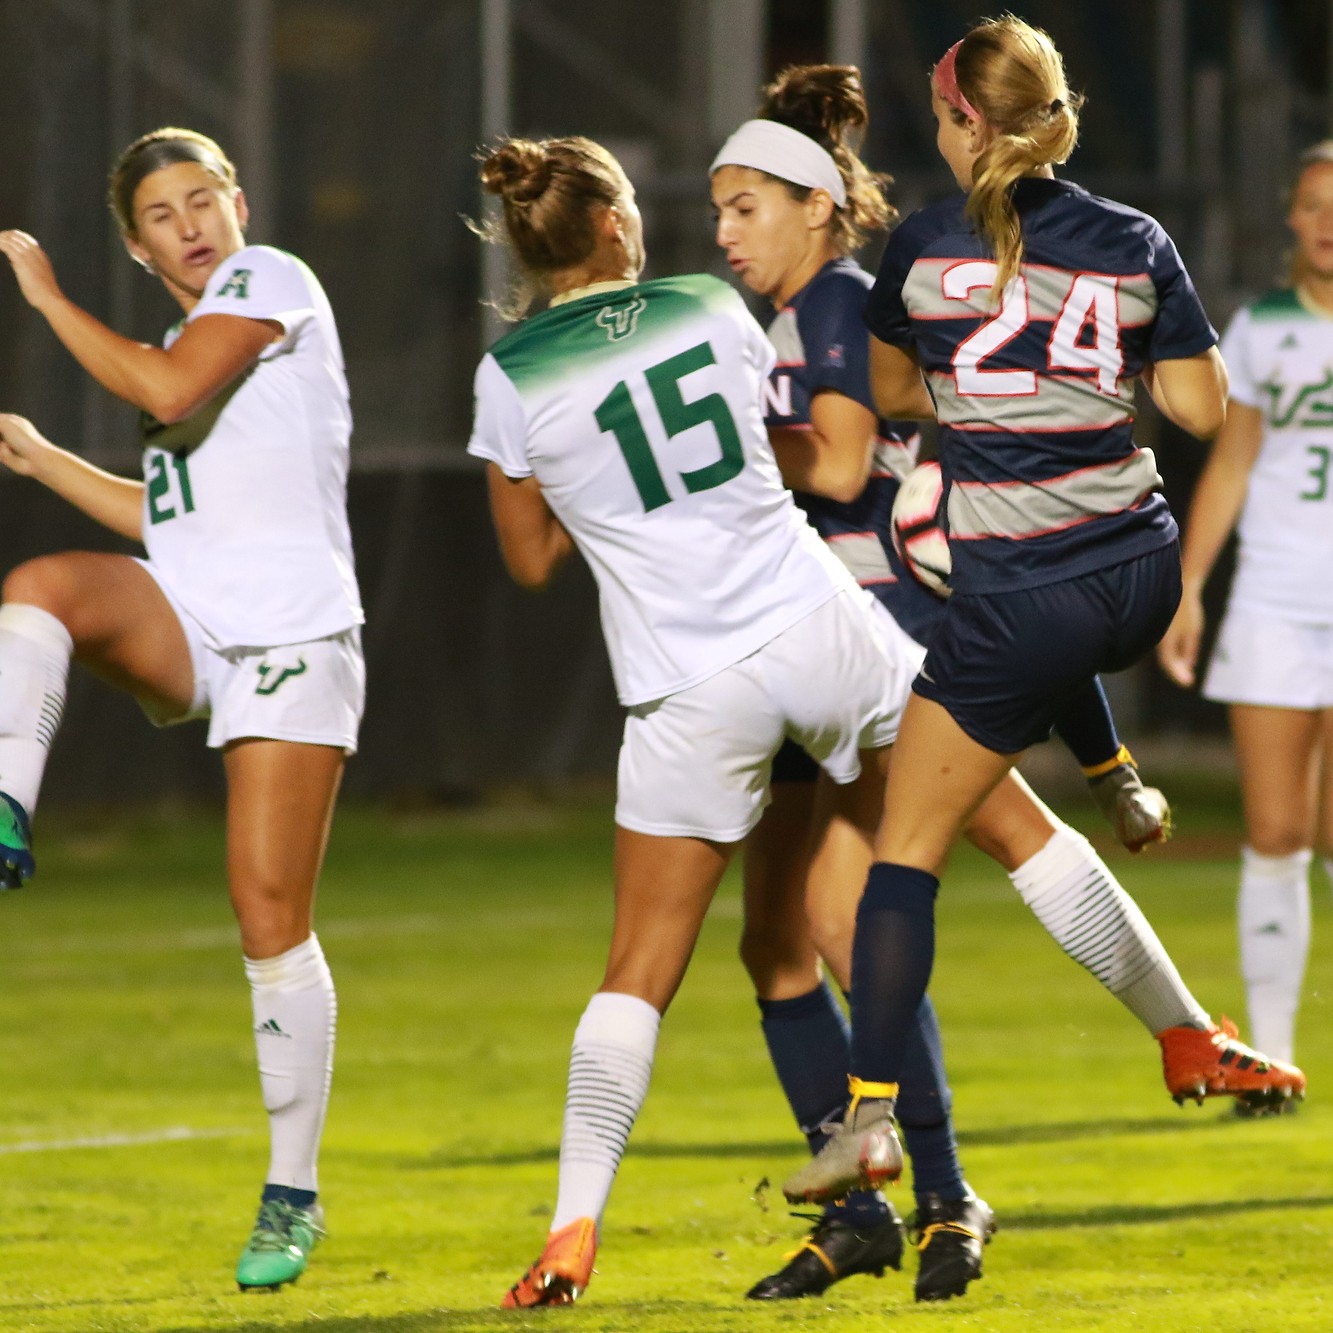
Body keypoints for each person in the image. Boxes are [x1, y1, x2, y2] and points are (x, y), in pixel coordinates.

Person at [711, 61, 1310, 1298]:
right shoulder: (1132, 237)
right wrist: (1082, 373)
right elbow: (1196, 406)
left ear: (959, 126)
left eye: (740, 207)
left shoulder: (905, 259)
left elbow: (868, 421)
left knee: (887, 876)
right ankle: (1172, 1023)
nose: (724, 231)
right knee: (807, 919)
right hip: (1122, 567)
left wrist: (980, 389)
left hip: (905, 622)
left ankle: (879, 1123)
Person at [468, 133, 920, 1309]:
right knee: (910, 880)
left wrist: (593, 500)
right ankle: (1166, 1027)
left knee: (639, 972)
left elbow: (526, 559)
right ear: (618, 225)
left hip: (685, 687)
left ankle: (572, 1227)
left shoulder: (510, 373)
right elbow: (758, 456)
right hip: (809, 633)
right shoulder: (713, 305)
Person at [0, 128, 363, 1289]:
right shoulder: (177, 339)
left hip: (295, 631)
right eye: (163, 214)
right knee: (40, 588)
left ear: (239, 202)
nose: (191, 225)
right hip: (195, 613)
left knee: (266, 916)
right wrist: (49, 459)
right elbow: (172, 524)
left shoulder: (271, 281)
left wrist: (46, 298)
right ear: (138, 240)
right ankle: (5, 808)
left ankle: (292, 1193)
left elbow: (163, 388)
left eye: (203, 199)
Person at [1158, 141, 1333, 1073]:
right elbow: (1231, 462)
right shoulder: (1260, 327)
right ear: (1291, 220)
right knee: (1275, 833)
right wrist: (1188, 585)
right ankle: (1269, 1054)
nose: (1328, 221)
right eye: (1312, 204)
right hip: (1272, 597)